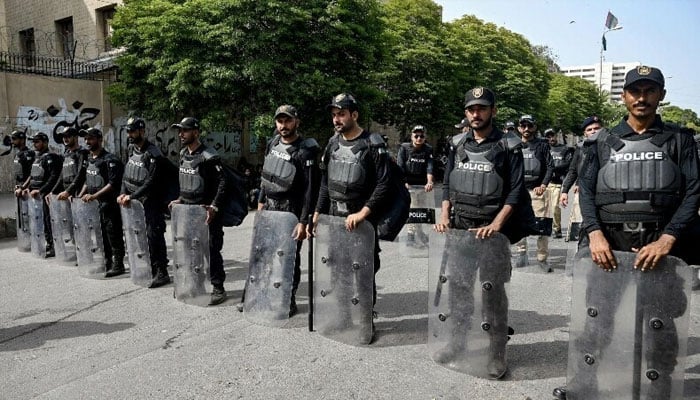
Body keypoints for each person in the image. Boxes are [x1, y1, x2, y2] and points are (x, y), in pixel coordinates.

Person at [553, 66, 700, 399]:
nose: (642, 97)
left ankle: (660, 387)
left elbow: (693, 191)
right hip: (610, 246)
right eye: (635, 91)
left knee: (660, 324)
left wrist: (668, 238)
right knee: (597, 319)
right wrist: (594, 234)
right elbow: (587, 191)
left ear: (661, 95)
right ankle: (584, 381)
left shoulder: (680, 140)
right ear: (624, 96)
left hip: (660, 248)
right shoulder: (601, 141)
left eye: (650, 90)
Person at [433, 87, 530, 378]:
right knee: (459, 291)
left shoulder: (508, 146)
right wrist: (445, 215)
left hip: (491, 235)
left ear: (493, 111)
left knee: (493, 295)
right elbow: (448, 183)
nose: (476, 114)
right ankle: (457, 343)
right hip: (461, 232)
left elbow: (515, 192)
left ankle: (496, 352)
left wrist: (497, 225)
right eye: (471, 109)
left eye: (482, 108)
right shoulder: (457, 143)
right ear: (466, 113)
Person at [311, 93, 392, 341]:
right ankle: (344, 317)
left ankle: (366, 320)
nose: (337, 119)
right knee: (338, 272)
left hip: (361, 221)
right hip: (335, 219)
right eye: (334, 114)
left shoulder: (372, 144)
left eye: (341, 114)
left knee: (363, 273)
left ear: (354, 115)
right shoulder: (332, 144)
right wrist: (317, 212)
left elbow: (384, 183)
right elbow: (325, 182)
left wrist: (363, 213)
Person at [252, 105, 319, 316]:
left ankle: (287, 298)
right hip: (270, 207)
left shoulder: (305, 150)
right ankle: (261, 295)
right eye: (280, 121)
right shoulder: (273, 143)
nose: (283, 125)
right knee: (264, 254)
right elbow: (267, 174)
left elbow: (310, 189)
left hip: (291, 209)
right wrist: (261, 202)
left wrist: (303, 220)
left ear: (296, 122)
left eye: (288, 120)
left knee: (288, 258)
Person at [170, 117, 229, 306]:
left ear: (195, 132)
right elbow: (186, 181)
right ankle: (196, 285)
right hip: (188, 212)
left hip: (206, 213)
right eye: (180, 131)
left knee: (210, 251)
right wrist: (180, 199)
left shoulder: (208, 156)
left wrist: (214, 206)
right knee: (191, 250)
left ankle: (218, 288)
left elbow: (223, 182)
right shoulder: (183, 154)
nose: (181, 134)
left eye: (185, 130)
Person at [117, 117, 171, 288]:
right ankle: (149, 268)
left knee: (153, 237)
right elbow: (127, 175)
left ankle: (161, 272)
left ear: (142, 131)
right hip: (135, 204)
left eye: (132, 131)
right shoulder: (131, 149)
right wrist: (122, 193)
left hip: (151, 204)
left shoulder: (153, 153)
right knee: (139, 237)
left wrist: (132, 197)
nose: (130, 134)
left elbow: (151, 182)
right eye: (128, 131)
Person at [79, 127, 126, 277]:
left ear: (100, 140)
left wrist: (94, 196)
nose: (87, 142)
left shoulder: (110, 160)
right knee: (101, 236)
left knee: (113, 235)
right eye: (86, 139)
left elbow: (113, 184)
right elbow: (88, 181)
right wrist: (80, 196)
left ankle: (118, 264)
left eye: (91, 138)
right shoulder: (89, 159)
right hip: (95, 206)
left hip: (109, 204)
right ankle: (107, 262)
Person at [513, 115, 554, 272]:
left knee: (542, 227)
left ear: (534, 127)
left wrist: (543, 185)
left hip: (538, 191)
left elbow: (550, 166)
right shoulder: (514, 145)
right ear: (519, 128)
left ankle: (542, 258)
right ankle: (521, 255)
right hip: (519, 191)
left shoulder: (542, 145)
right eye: (523, 126)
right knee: (519, 224)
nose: (526, 129)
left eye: (529, 126)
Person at [559, 116, 603, 241]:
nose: (594, 131)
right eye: (590, 129)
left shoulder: (610, 147)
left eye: (597, 128)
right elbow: (573, 170)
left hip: (604, 192)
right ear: (585, 133)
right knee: (583, 225)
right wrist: (564, 191)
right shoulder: (581, 148)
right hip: (585, 192)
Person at [23, 132, 62, 258]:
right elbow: (33, 175)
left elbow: (54, 176)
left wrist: (41, 191)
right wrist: (26, 188)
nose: (34, 144)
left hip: (45, 194)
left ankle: (53, 245)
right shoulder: (37, 157)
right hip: (36, 196)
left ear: (45, 142)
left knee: (48, 220)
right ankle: (47, 243)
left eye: (37, 141)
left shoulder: (50, 157)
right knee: (41, 221)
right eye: (33, 141)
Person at [397, 125, 435, 247]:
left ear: (425, 137)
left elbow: (430, 167)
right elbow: (400, 166)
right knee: (414, 209)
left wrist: (429, 182)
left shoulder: (428, 149)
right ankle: (410, 236)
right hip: (409, 186)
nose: (419, 138)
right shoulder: (404, 148)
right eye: (416, 136)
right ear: (412, 136)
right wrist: (403, 182)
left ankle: (419, 233)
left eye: (422, 136)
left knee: (421, 210)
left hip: (422, 186)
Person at [545, 128, 574, 239]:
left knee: (555, 207)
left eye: (552, 135)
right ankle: (545, 228)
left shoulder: (564, 149)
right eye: (548, 136)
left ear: (556, 136)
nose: (551, 138)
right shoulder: (544, 149)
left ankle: (557, 229)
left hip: (557, 183)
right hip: (545, 183)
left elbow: (568, 164)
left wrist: (554, 168)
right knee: (544, 208)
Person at [53, 126, 89, 200]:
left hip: (77, 194)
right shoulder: (66, 154)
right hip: (66, 194)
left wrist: (68, 191)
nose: (65, 139)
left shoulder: (82, 153)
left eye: (68, 136)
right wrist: (53, 192)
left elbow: (81, 174)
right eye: (63, 136)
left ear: (75, 137)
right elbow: (62, 175)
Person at [11, 129, 36, 195]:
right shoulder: (18, 154)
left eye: (14, 139)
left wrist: (24, 187)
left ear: (22, 140)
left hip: (27, 190)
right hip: (19, 189)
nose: (12, 141)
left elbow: (32, 174)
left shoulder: (29, 154)